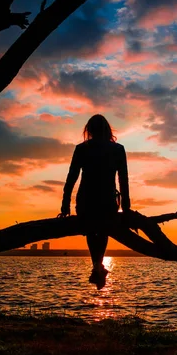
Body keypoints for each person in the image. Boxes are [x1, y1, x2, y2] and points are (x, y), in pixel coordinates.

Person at [59, 114, 131, 290]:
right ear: (107, 130)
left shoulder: (82, 149)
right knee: (103, 229)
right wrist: (126, 207)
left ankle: (97, 267)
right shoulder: (118, 149)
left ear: (89, 130)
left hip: (86, 202)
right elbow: (124, 180)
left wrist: (65, 204)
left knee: (91, 230)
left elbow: (71, 178)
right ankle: (98, 267)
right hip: (107, 202)